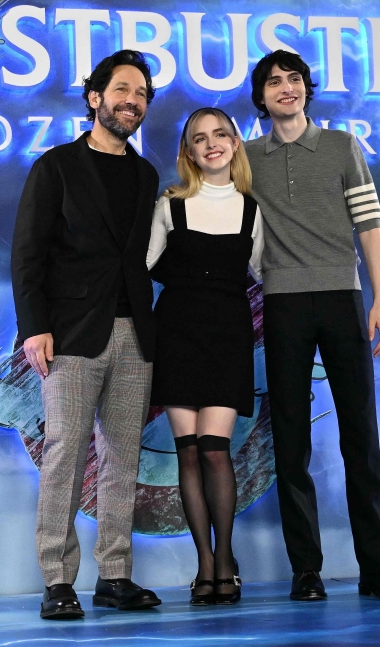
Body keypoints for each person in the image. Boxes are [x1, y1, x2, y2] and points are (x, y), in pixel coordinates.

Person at [244, 49, 380, 601]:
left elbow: (370, 225)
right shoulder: (246, 158)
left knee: (360, 437)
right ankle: (306, 570)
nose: (285, 89)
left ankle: (379, 569)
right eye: (274, 82)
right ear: (262, 96)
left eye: (293, 80)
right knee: (290, 442)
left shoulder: (343, 147)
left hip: (344, 297)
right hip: (282, 303)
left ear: (306, 89)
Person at [10, 50, 163, 620]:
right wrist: (34, 328)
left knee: (124, 460)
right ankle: (57, 579)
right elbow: (28, 254)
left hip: (135, 335)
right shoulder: (55, 167)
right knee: (65, 457)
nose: (133, 100)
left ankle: (115, 575)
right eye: (122, 89)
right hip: (71, 335)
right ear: (95, 97)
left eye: (142, 93)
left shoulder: (146, 176)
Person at [147, 107, 261, 605]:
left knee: (216, 449)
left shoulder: (253, 211)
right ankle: (205, 565)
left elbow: (268, 275)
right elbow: (141, 266)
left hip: (228, 341)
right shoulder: (169, 206)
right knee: (189, 450)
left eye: (219, 134)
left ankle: (228, 558)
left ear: (235, 143)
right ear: (188, 153)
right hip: (177, 338)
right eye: (199, 138)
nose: (210, 143)